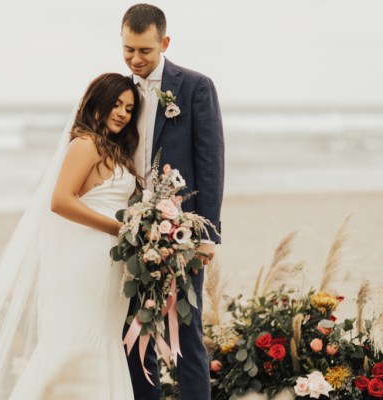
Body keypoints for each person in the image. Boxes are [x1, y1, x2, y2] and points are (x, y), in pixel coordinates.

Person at [0, 73, 141, 399]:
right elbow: (61, 200)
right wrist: (119, 229)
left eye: (129, 108)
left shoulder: (115, 150)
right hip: (86, 259)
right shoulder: (86, 144)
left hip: (110, 263)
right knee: (76, 340)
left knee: (103, 338)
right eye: (116, 104)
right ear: (99, 104)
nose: (122, 112)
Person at [120, 4, 225, 400]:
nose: (135, 59)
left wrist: (207, 233)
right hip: (130, 231)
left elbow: (211, 163)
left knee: (184, 331)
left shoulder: (196, 86)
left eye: (144, 50)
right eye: (128, 49)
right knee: (132, 332)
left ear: (164, 43)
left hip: (181, 230)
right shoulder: (120, 90)